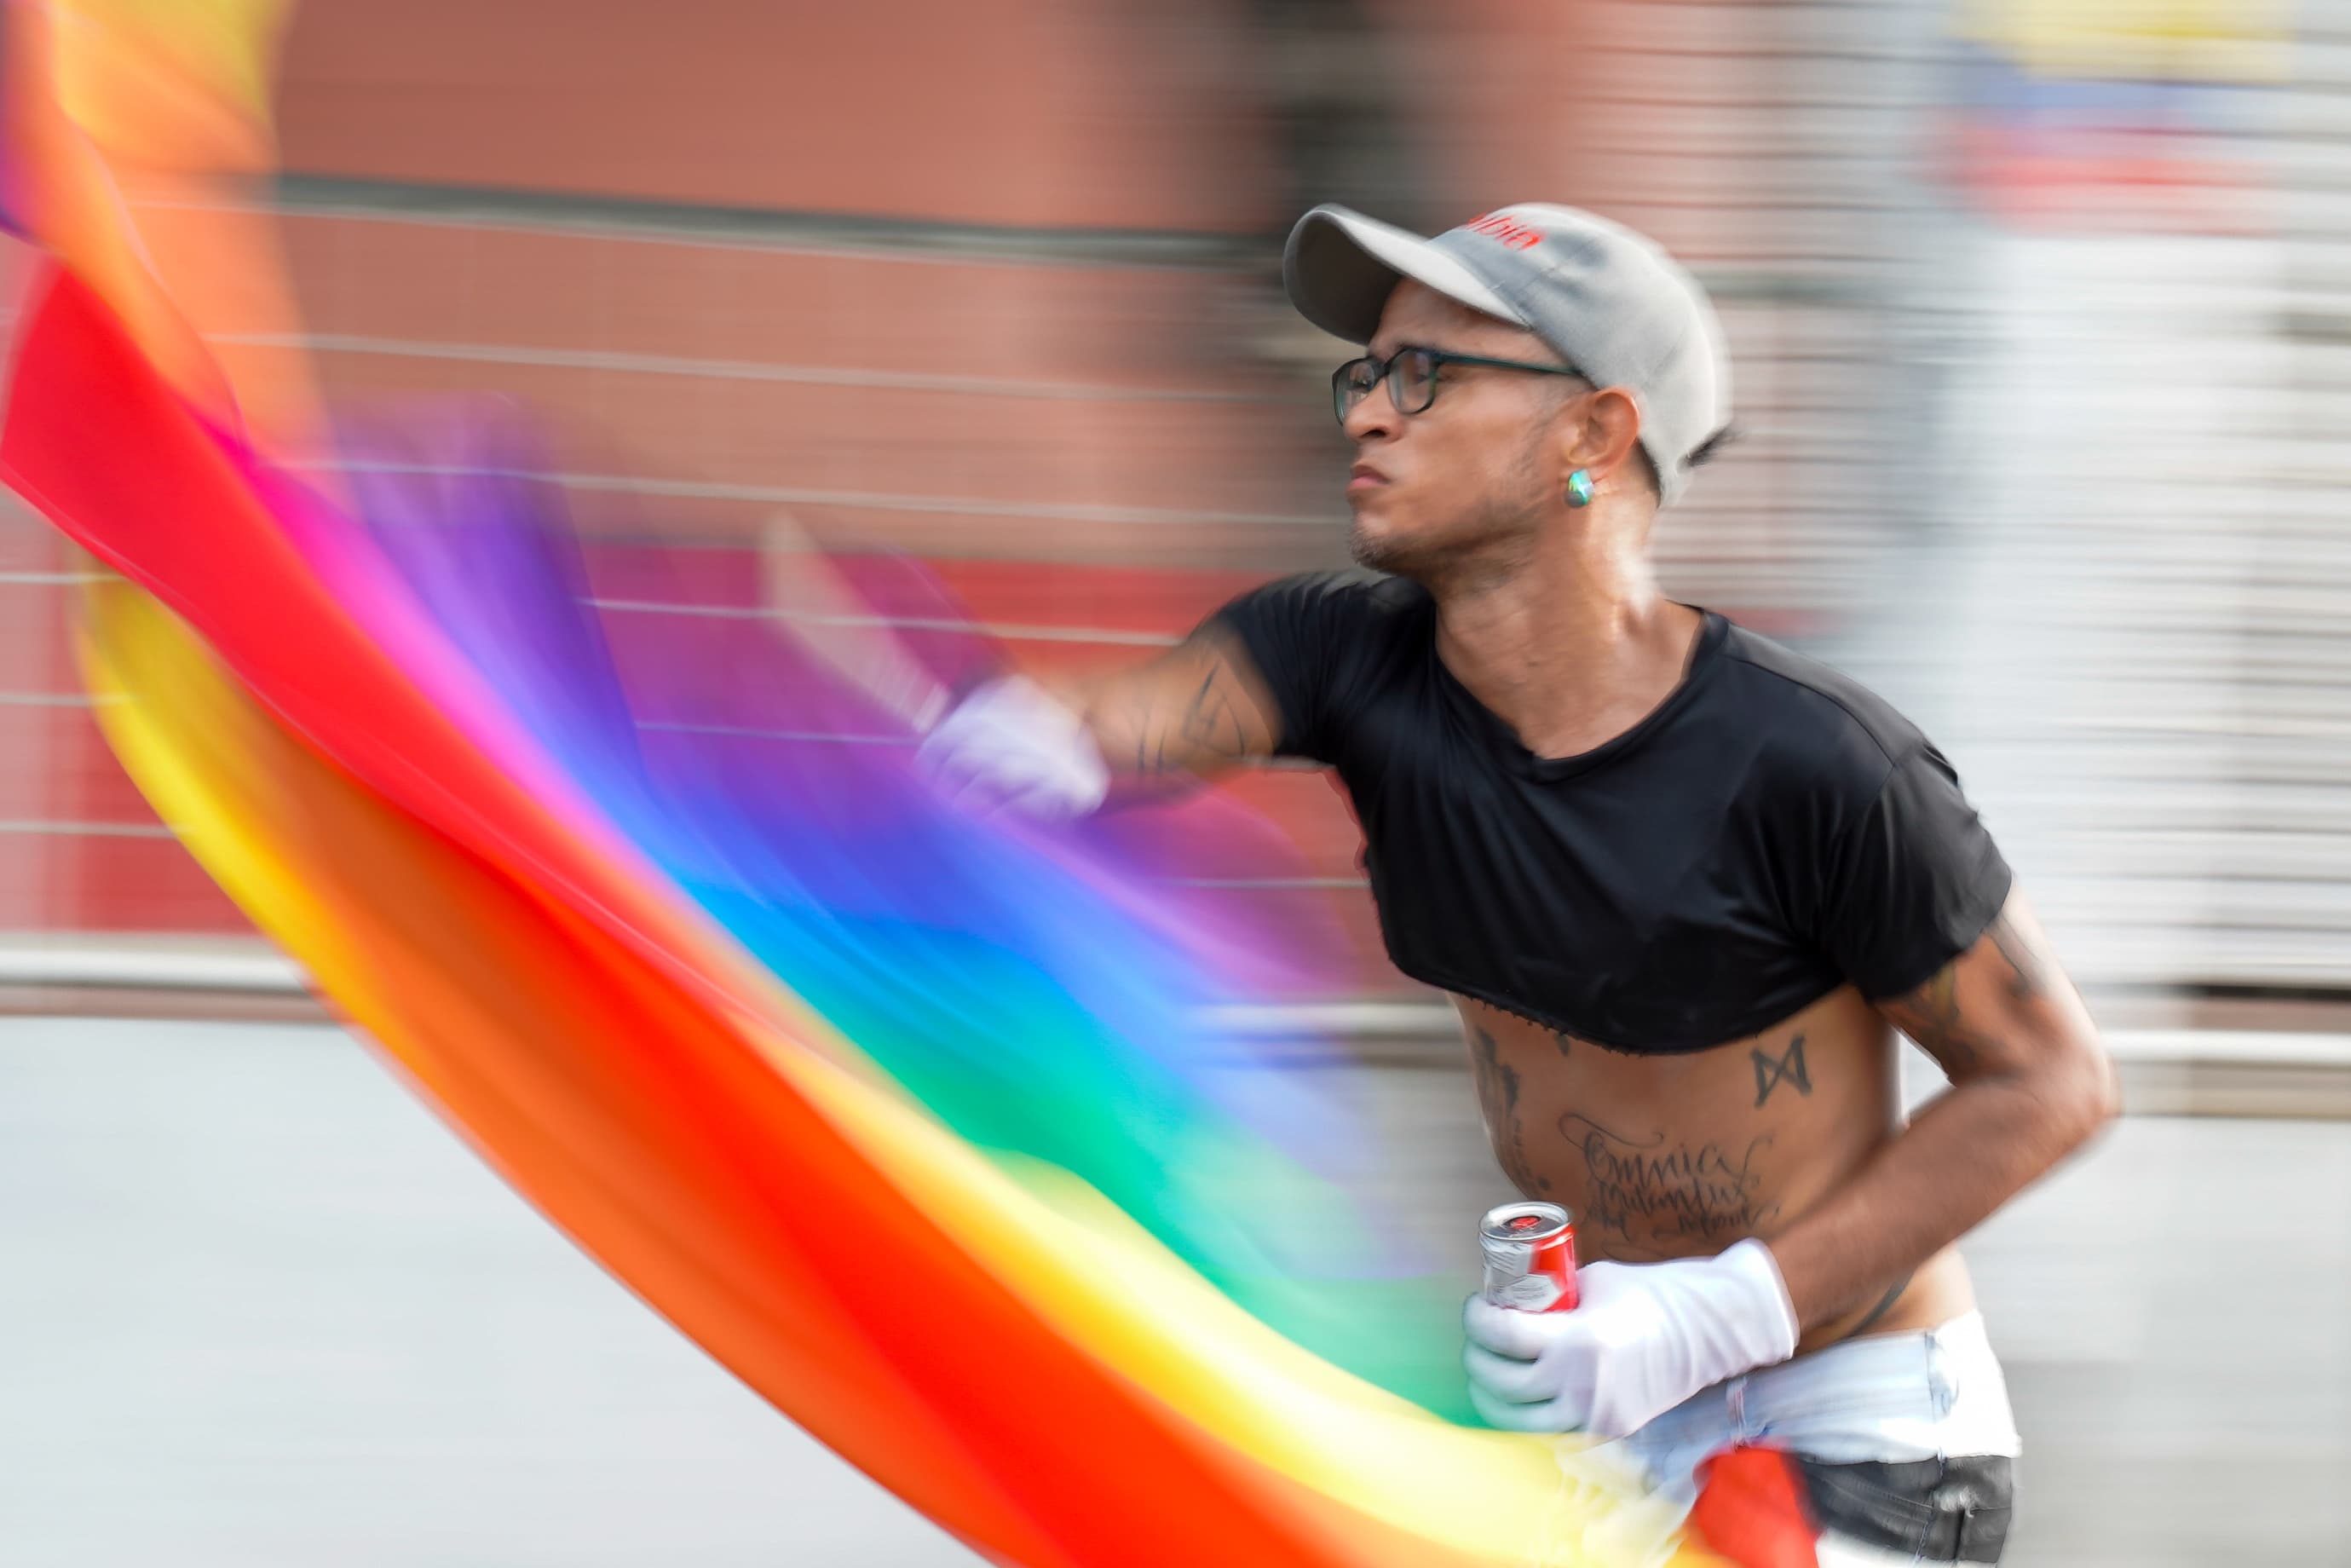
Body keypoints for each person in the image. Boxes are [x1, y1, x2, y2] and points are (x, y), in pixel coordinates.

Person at [920, 202, 2118, 1564]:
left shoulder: (1819, 764)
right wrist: (1012, 747)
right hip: (1602, 1423)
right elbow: (1121, 723)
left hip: (1851, 1435)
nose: (1370, 413)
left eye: (1427, 373)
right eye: (1365, 373)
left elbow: (2055, 1081)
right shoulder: (1335, 657)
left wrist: (1715, 1314)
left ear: (1590, 436)